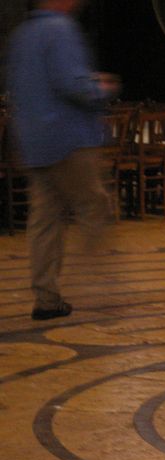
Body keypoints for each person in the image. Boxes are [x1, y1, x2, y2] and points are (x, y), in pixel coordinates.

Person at [6, 0, 120, 320]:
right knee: (95, 204)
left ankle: (47, 297)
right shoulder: (61, 29)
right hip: (68, 140)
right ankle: (97, 278)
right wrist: (103, 86)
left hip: (35, 144)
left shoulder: (22, 34)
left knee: (45, 222)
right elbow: (74, 85)